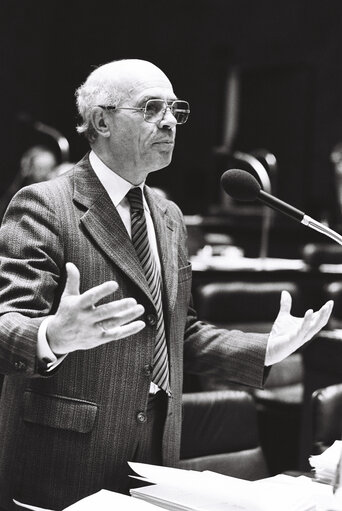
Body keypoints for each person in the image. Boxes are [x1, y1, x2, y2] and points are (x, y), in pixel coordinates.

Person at [0, 59, 333, 510]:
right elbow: (7, 323)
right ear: (102, 120)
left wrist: (264, 349)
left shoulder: (167, 216)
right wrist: (50, 336)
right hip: (63, 461)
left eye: (176, 108)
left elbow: (180, 332)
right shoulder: (44, 205)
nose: (171, 120)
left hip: (155, 456)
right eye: (152, 107)